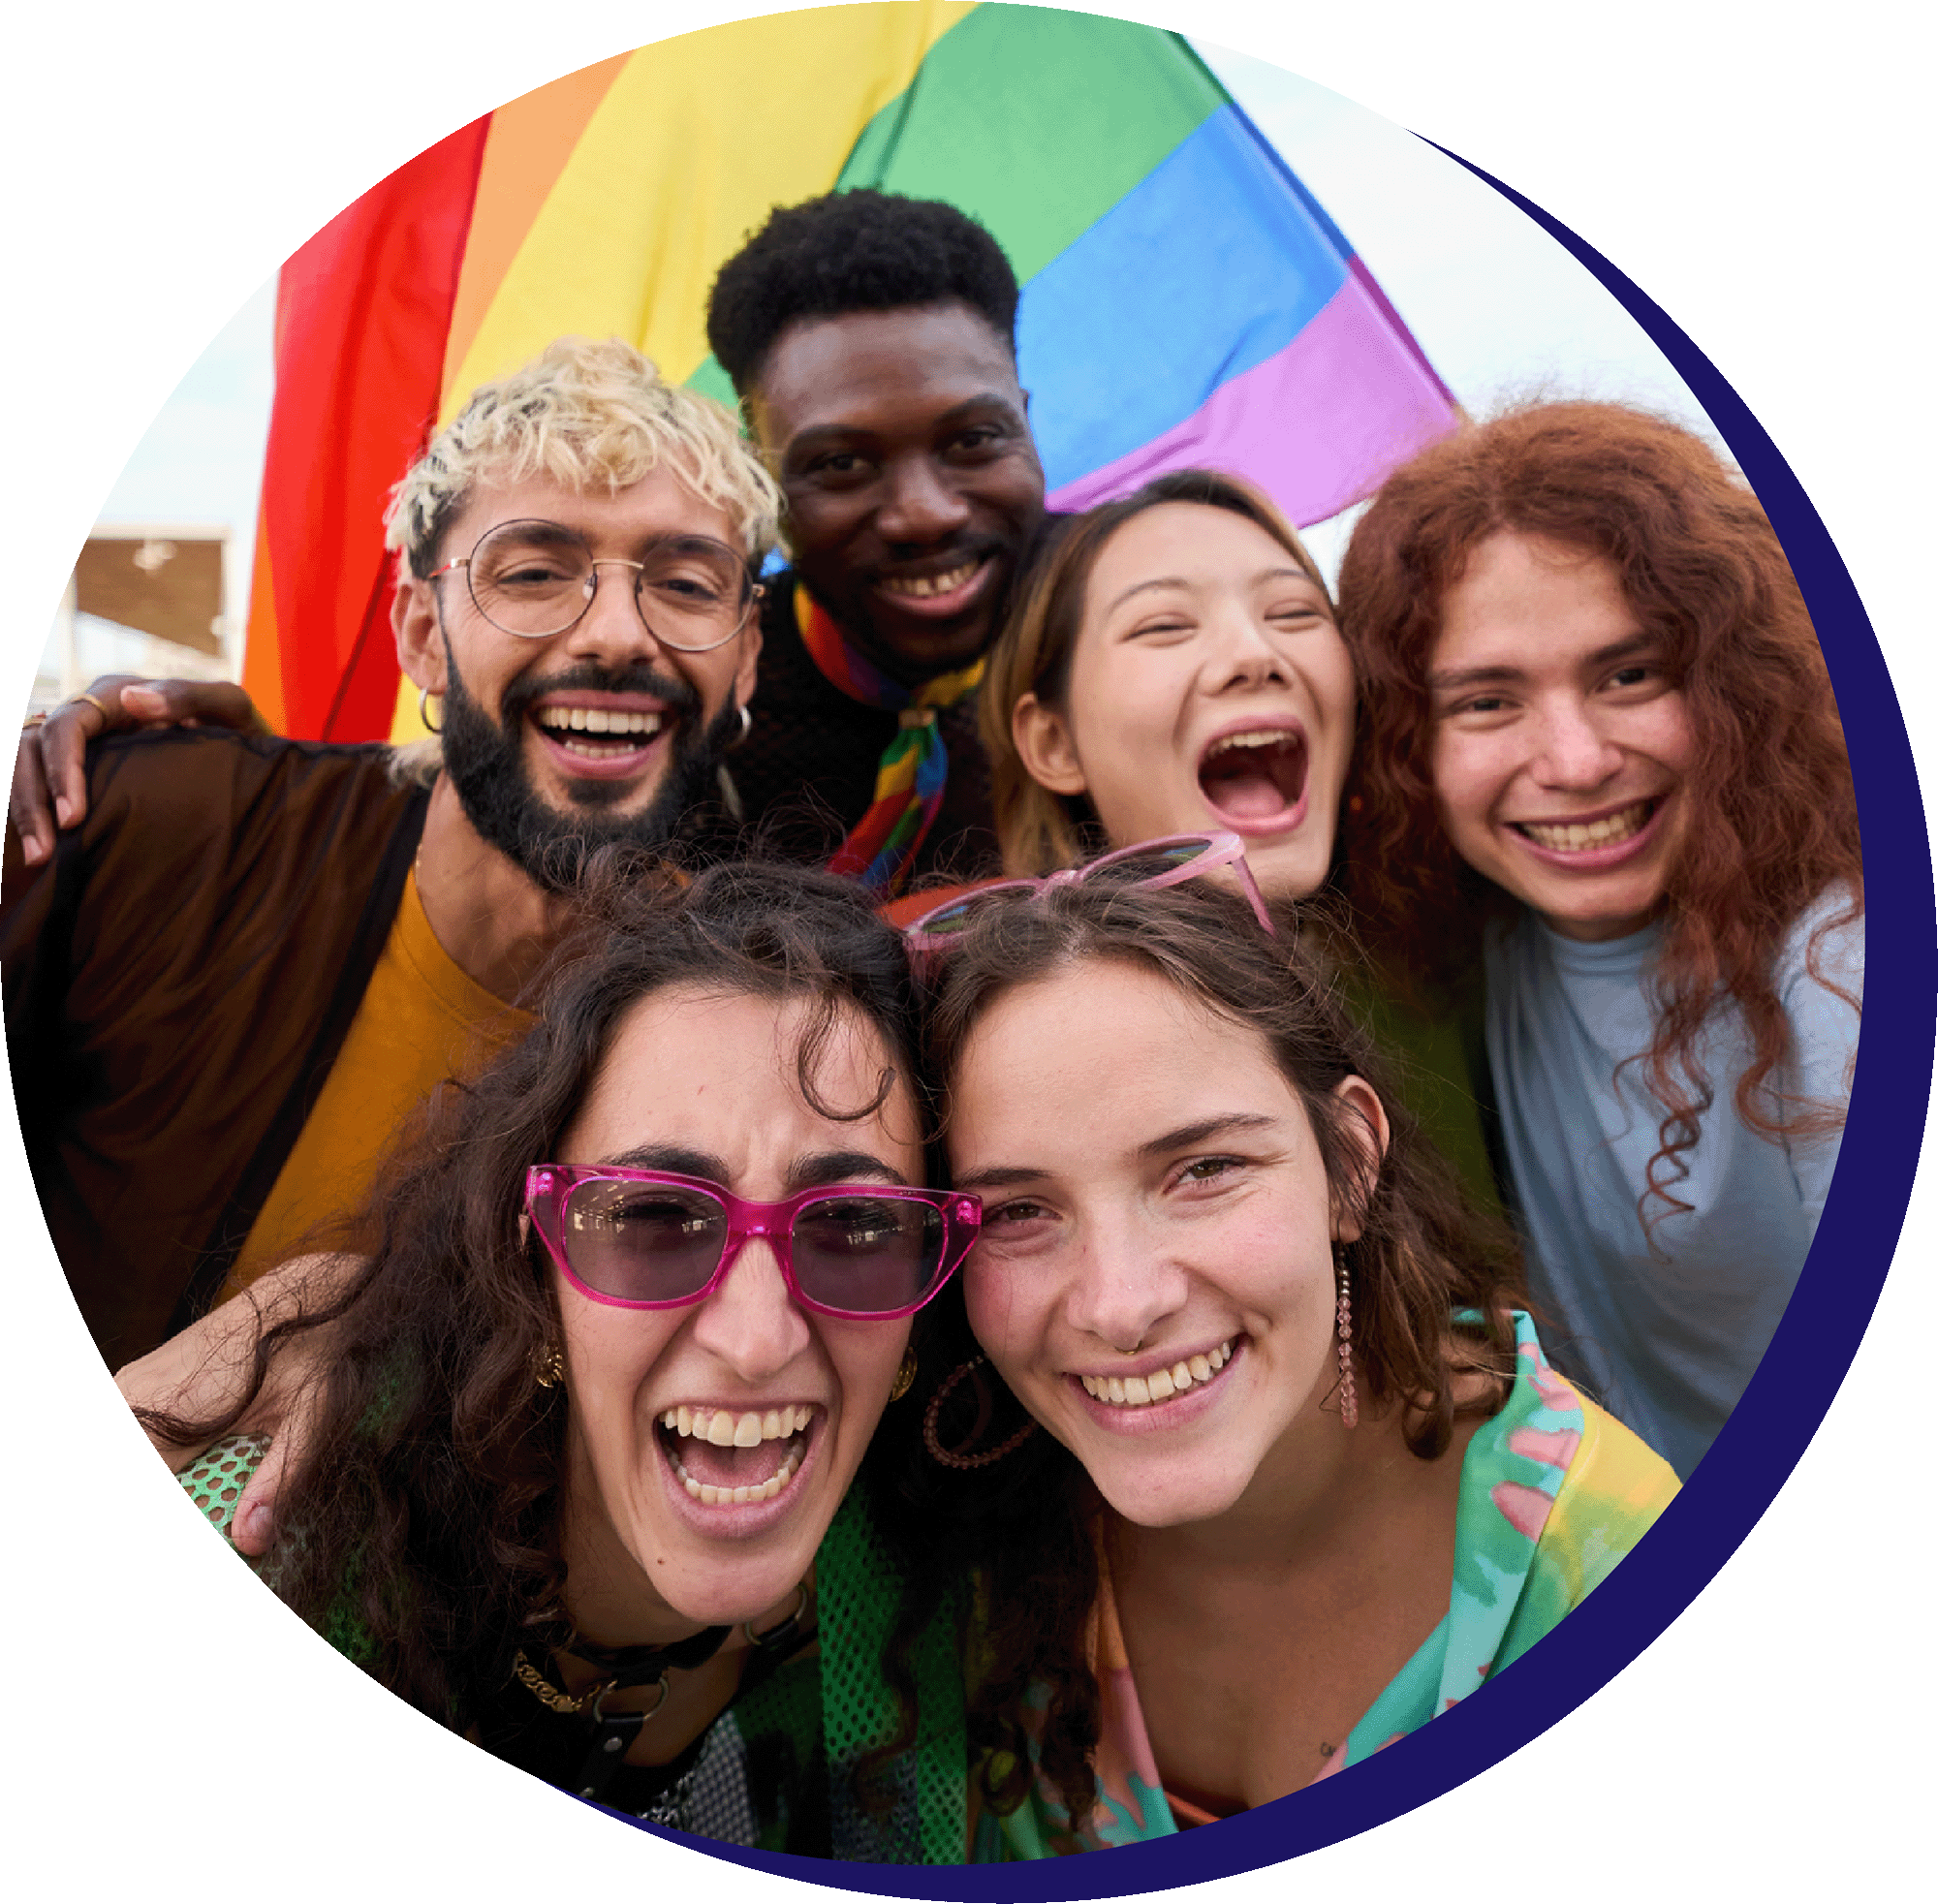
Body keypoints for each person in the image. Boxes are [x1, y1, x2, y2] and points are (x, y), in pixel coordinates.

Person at [141, 861, 978, 1857]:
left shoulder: (937, 1609)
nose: (756, 1342)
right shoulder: (251, 1562)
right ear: (527, 1270)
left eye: (852, 1226)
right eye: (654, 1219)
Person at [3, 336, 779, 1364]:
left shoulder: (748, 1023)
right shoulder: (154, 833)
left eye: (684, 584)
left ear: (745, 659)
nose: (615, 634)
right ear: (419, 630)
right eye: (536, 572)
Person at [902, 872, 1676, 1853]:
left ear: (1347, 1164)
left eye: (1203, 1171)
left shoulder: (1616, 1569)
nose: (1121, 1304)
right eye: (1016, 1213)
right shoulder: (942, 1556)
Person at [23, 191, 1057, 898]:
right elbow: (490, 793)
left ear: (1028, 413)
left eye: (974, 439)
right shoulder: (688, 697)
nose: (922, 509)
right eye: (839, 464)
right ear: (766, 478)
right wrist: (242, 795)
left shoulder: (1132, 629)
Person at [1335, 401, 1863, 1478]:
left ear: (1733, 681)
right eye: (1486, 702)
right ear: (1405, 744)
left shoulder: (1843, 951)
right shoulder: (1459, 943)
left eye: (1627, 676)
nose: (1573, 761)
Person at [918, 467, 1497, 1202]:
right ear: (1053, 741)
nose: (1254, 655)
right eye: (1164, 625)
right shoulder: (982, 1052)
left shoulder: (1451, 960)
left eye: (1293, 613)